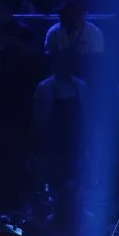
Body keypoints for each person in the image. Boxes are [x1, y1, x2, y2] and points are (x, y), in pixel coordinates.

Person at [32, 51, 88, 188]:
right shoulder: (44, 88)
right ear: (55, 64)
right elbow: (39, 119)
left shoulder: (81, 86)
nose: (65, 66)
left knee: (75, 181)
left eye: (68, 62)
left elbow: (87, 116)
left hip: (75, 143)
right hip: (52, 143)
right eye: (62, 62)